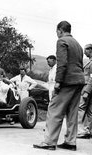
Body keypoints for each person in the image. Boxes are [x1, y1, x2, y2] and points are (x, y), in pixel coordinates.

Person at [33, 21, 85, 151]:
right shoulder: (78, 44)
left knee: (54, 110)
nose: (57, 34)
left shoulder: (62, 41)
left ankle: (49, 141)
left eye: (57, 32)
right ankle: (70, 142)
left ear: (60, 30)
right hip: (79, 81)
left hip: (67, 81)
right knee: (72, 112)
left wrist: (58, 82)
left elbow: (62, 63)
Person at [77, 44, 92, 139]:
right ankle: (88, 130)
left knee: (81, 108)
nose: (84, 52)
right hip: (89, 88)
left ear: (90, 50)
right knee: (90, 111)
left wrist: (87, 91)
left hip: (88, 88)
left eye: (85, 50)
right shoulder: (89, 62)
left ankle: (82, 131)